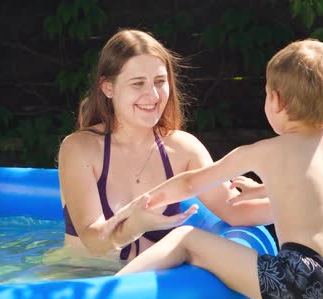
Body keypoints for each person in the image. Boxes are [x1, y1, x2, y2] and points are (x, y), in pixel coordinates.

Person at [117, 39, 323, 299]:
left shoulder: (267, 151)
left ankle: (109, 295)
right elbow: (318, 192)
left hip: (298, 279)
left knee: (187, 239)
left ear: (276, 100)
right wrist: (263, 190)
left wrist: (147, 199)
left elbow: (192, 183)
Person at [58, 29, 267, 261]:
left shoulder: (183, 150)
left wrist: (299, 201)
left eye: (160, 81)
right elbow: (93, 242)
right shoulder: (80, 149)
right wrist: (134, 225)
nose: (153, 95)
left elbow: (234, 210)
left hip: (158, 288)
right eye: (138, 84)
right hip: (84, 280)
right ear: (108, 88)